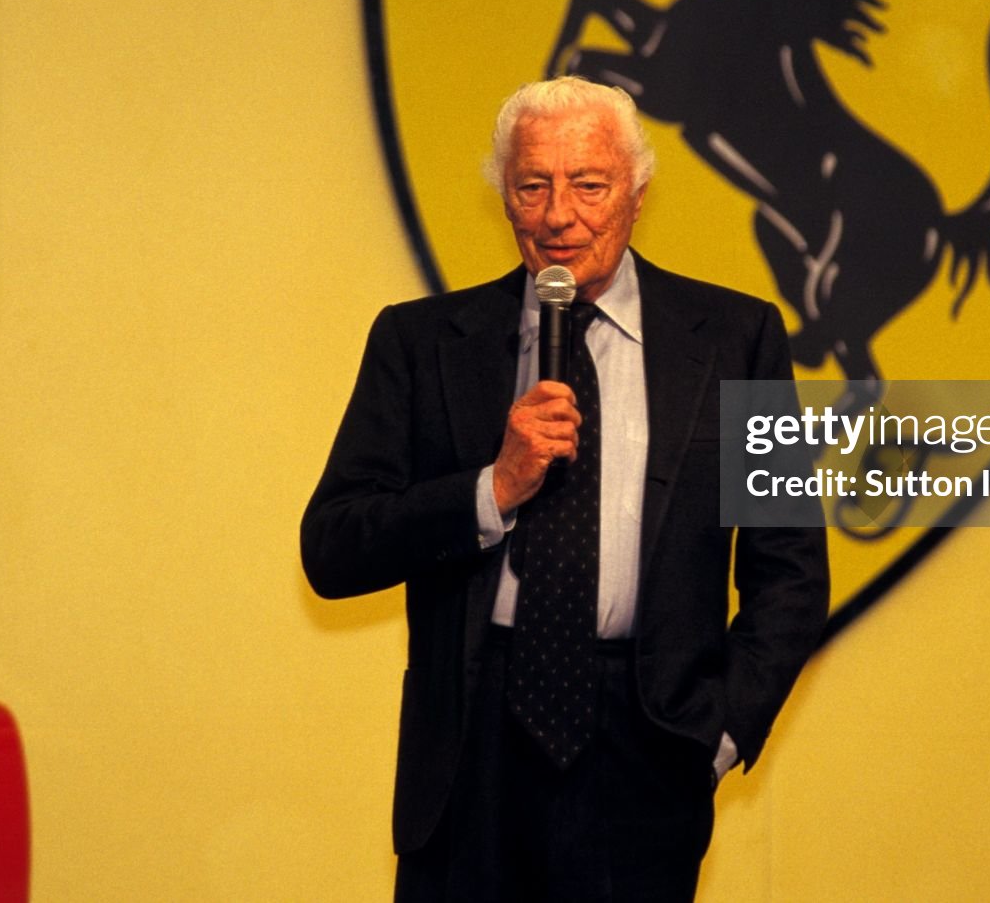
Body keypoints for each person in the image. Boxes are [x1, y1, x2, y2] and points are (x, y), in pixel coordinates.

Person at [302, 77, 828, 902]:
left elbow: (790, 568)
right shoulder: (420, 340)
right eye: (532, 186)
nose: (558, 216)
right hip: (471, 745)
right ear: (503, 197)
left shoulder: (737, 338)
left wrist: (717, 731)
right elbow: (332, 544)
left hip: (648, 743)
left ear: (638, 192)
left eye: (589, 185)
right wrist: (490, 489)